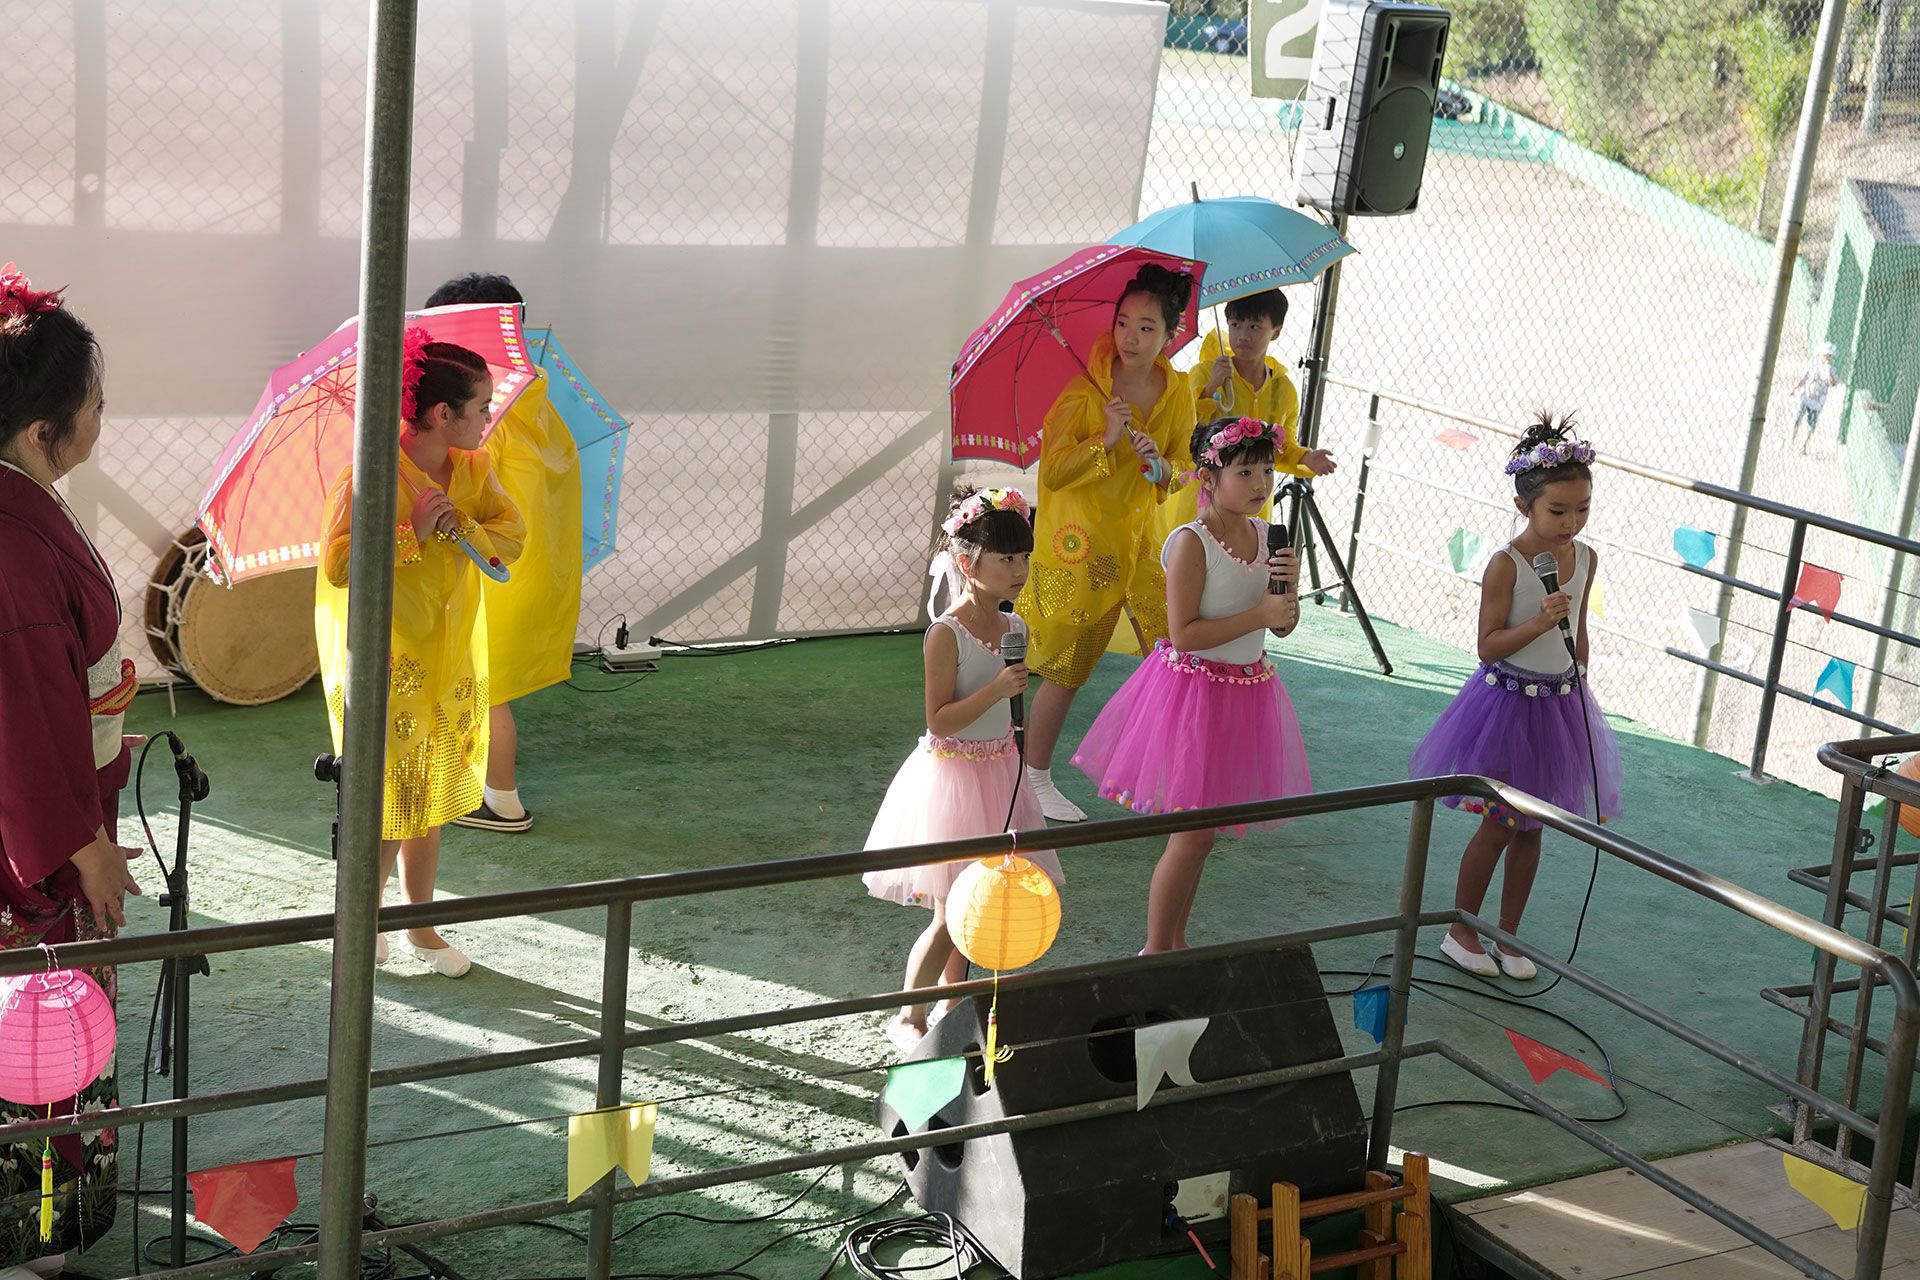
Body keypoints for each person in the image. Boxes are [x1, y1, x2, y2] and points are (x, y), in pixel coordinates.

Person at [0, 262, 141, 1264]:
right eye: (91, 405)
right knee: (37, 1015)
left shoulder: (23, 507)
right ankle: (36, 1226)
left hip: (52, 802)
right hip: (36, 838)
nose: (100, 418)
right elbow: (20, 716)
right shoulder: (15, 543)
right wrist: (79, 843)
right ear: (42, 430)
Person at [315, 331, 525, 977]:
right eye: (481, 407)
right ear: (442, 414)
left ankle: (415, 925)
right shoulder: (370, 475)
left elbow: (512, 537)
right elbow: (339, 564)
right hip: (390, 666)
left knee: (428, 799)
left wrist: (462, 525)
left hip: (450, 660)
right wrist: (413, 534)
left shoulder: (475, 471)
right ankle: (365, 918)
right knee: (389, 801)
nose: (488, 418)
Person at [1072, 417, 1310, 953]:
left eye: (1266, 470)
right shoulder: (1191, 543)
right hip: (1195, 696)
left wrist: (1285, 600)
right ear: (1208, 477)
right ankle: (1156, 949)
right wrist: (1261, 613)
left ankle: (1175, 942)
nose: (1259, 483)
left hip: (1246, 692)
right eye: (1244, 472)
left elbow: (1280, 626)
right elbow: (1184, 635)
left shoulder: (1267, 537)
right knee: (1193, 833)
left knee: (1205, 835)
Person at [1409, 416, 1624, 980]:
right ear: (1523, 505)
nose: (1571, 523)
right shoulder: (1506, 564)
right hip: (1507, 705)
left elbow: (1579, 626)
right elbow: (1488, 646)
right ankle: (1460, 929)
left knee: (1535, 826)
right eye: (1558, 511)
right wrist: (1537, 623)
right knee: (1501, 822)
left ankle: (1507, 934)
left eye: (1582, 509)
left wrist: (1580, 672)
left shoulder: (1587, 558)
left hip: (1559, 704)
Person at [862, 488, 1062, 1052]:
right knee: (951, 911)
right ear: (967, 563)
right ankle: (908, 1013)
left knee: (986, 900)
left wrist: (1014, 723)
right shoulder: (945, 633)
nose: (1019, 569)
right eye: (1007, 558)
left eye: (1024, 557)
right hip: (952, 780)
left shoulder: (1014, 625)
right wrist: (998, 688)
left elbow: (1008, 708)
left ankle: (953, 1002)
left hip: (1000, 770)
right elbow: (940, 719)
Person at [1015, 264, 1198, 822]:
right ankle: (1033, 777)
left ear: (1170, 334)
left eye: (1146, 327)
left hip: (1141, 546)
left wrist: (1160, 466)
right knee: (1068, 665)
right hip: (1085, 549)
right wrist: (1107, 439)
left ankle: (1169, 778)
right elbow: (1053, 472)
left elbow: (1185, 465)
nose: (1130, 337)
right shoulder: (1084, 390)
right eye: (1123, 323)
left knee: (1174, 653)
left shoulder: (1177, 391)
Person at [423, 273, 583, 833]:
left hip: (491, 569)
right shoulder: (533, 399)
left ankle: (500, 800)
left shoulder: (487, 414)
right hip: (534, 569)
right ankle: (473, 784)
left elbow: (458, 473)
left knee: (481, 688)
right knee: (484, 685)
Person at [1153, 289, 1335, 540]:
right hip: (1203, 502)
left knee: (1247, 559)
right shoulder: (1204, 373)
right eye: (1235, 324)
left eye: (1254, 327)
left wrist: (1306, 458)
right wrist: (1210, 389)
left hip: (1252, 503)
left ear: (1276, 331)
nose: (1243, 335)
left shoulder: (1282, 390)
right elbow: (1184, 433)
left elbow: (1281, 450)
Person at [1790, 341, 1839, 454]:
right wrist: (1794, 389)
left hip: (1817, 403)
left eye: (1829, 356)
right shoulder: (1813, 367)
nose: (1827, 358)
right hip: (1805, 398)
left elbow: (1833, 384)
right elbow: (1803, 379)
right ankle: (1791, 441)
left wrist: (1829, 375)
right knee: (1796, 419)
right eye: (1825, 355)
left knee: (1811, 426)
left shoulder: (1832, 370)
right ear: (1820, 355)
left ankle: (1803, 447)